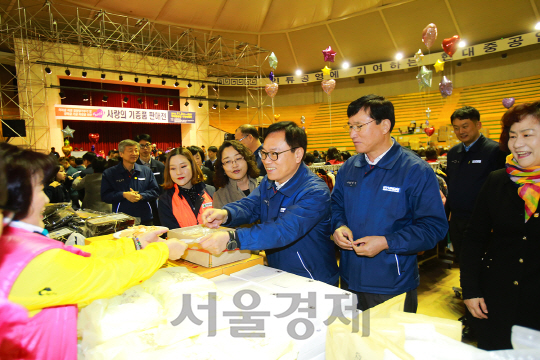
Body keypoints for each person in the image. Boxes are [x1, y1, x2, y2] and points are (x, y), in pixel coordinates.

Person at [0, 142, 188, 359]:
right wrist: (161, 251)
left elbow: (71, 254)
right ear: (15, 197)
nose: (45, 198)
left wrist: (136, 244)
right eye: (39, 189)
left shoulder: (16, 241)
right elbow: (107, 275)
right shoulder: (24, 260)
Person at [331, 94, 448, 312]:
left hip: (391, 284)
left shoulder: (415, 170)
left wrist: (387, 242)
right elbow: (336, 205)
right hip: (349, 280)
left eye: (359, 126)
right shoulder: (349, 167)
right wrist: (339, 226)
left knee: (387, 345)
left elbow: (433, 228)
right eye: (350, 127)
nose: (352, 134)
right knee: (353, 342)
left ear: (385, 125)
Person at [199, 121, 339, 285]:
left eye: (274, 154)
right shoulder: (269, 181)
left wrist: (233, 238)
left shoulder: (315, 191)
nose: (267, 160)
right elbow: (251, 205)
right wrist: (226, 213)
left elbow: (283, 230)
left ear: (298, 154)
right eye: (264, 153)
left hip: (311, 279)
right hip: (278, 273)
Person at [460, 101, 540, 350]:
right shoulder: (498, 180)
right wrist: (470, 290)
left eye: (527, 135)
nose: (517, 143)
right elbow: (474, 237)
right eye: (513, 136)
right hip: (497, 301)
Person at [446, 106, 507, 263]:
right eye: (456, 128)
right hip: (457, 220)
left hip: (482, 220)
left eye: (465, 126)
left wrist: (496, 219)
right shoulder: (453, 153)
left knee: (482, 263)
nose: (461, 131)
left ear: (478, 125)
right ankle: (466, 288)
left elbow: (501, 188)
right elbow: (451, 183)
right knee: (462, 260)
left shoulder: (494, 150)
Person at [101, 139, 160, 226]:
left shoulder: (146, 171)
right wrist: (123, 195)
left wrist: (141, 196)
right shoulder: (110, 173)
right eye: (130, 151)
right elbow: (105, 196)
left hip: (145, 218)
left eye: (136, 150)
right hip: (121, 220)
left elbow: (155, 191)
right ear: (121, 154)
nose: (134, 153)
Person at [158, 147, 216, 229]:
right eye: (173, 168)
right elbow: (173, 233)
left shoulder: (211, 191)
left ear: (192, 166)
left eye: (183, 166)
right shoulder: (165, 200)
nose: (178, 172)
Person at [212, 140, 260, 209]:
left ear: (247, 160)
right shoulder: (220, 196)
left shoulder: (265, 183)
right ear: (222, 167)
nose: (234, 165)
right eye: (228, 161)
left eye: (238, 158)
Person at [136, 134, 166, 225]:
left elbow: (164, 185)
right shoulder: (134, 166)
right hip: (141, 205)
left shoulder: (160, 166)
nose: (145, 148)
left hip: (159, 206)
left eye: (147, 145)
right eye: (141, 145)